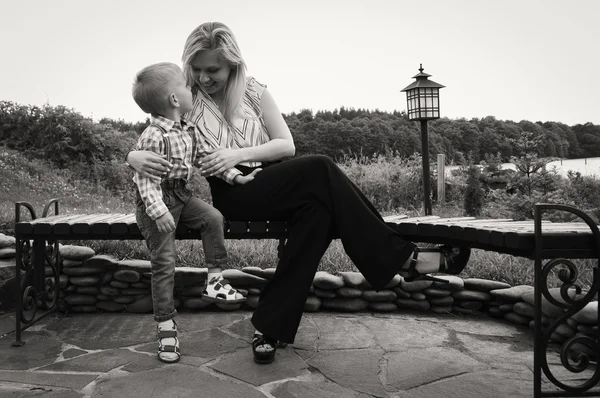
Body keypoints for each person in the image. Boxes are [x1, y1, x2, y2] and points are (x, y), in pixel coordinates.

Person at [126, 22, 470, 365]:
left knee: (318, 215)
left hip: (272, 178)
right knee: (320, 167)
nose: (203, 78)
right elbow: (155, 125)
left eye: (212, 69)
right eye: (196, 69)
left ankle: (269, 326)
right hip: (235, 190)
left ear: (232, 63)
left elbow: (285, 146)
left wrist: (239, 153)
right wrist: (132, 155)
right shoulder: (187, 98)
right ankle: (403, 259)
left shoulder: (254, 91)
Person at [131, 62, 261, 363]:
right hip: (157, 200)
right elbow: (144, 179)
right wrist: (157, 210)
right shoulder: (153, 135)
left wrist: (236, 177)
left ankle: (215, 281)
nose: (192, 89)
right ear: (175, 100)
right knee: (164, 262)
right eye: (186, 87)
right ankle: (165, 326)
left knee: (212, 218)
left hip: (181, 194)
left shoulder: (188, 129)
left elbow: (206, 158)